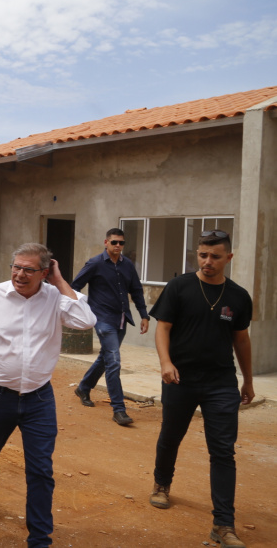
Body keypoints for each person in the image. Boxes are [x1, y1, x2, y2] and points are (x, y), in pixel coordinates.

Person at [0, 243, 95, 548]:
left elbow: (86, 321)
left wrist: (60, 282)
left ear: (44, 272)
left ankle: (39, 538)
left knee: (41, 470)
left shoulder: (56, 297)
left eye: (29, 269)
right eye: (16, 267)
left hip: (38, 398)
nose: (19, 274)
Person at [148, 230, 253, 548]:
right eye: (203, 255)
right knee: (171, 436)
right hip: (180, 379)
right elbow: (162, 328)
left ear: (229, 258)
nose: (208, 262)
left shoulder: (238, 297)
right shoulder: (179, 287)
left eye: (215, 256)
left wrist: (247, 379)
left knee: (223, 451)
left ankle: (223, 524)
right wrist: (166, 363)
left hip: (221, 382)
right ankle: (162, 483)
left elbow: (241, 339)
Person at [71, 227, 150, 425]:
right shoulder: (95, 263)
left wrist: (144, 315)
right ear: (106, 243)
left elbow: (137, 291)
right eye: (114, 242)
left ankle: (84, 387)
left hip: (121, 319)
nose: (117, 246)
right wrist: (82, 310)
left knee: (106, 357)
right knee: (114, 361)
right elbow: (75, 286)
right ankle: (119, 410)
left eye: (121, 243)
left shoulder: (128, 266)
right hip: (102, 318)